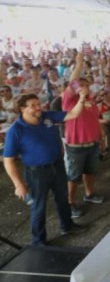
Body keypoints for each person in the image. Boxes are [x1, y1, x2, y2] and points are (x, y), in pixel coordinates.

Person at [3, 93, 87, 245]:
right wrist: (18, 184)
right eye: (33, 105)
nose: (38, 107)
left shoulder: (47, 116)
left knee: (63, 198)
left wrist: (81, 98)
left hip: (57, 165)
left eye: (38, 104)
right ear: (22, 109)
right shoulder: (15, 131)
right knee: (38, 206)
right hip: (36, 172)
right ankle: (39, 241)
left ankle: (67, 226)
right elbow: (8, 161)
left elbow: (73, 114)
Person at [62, 55, 105, 219]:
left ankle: (89, 194)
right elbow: (72, 82)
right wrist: (79, 64)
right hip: (75, 146)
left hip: (92, 144)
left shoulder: (92, 102)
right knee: (73, 177)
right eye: (81, 85)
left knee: (90, 171)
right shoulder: (70, 101)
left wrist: (100, 139)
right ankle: (69, 202)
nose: (84, 88)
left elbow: (95, 121)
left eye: (87, 85)